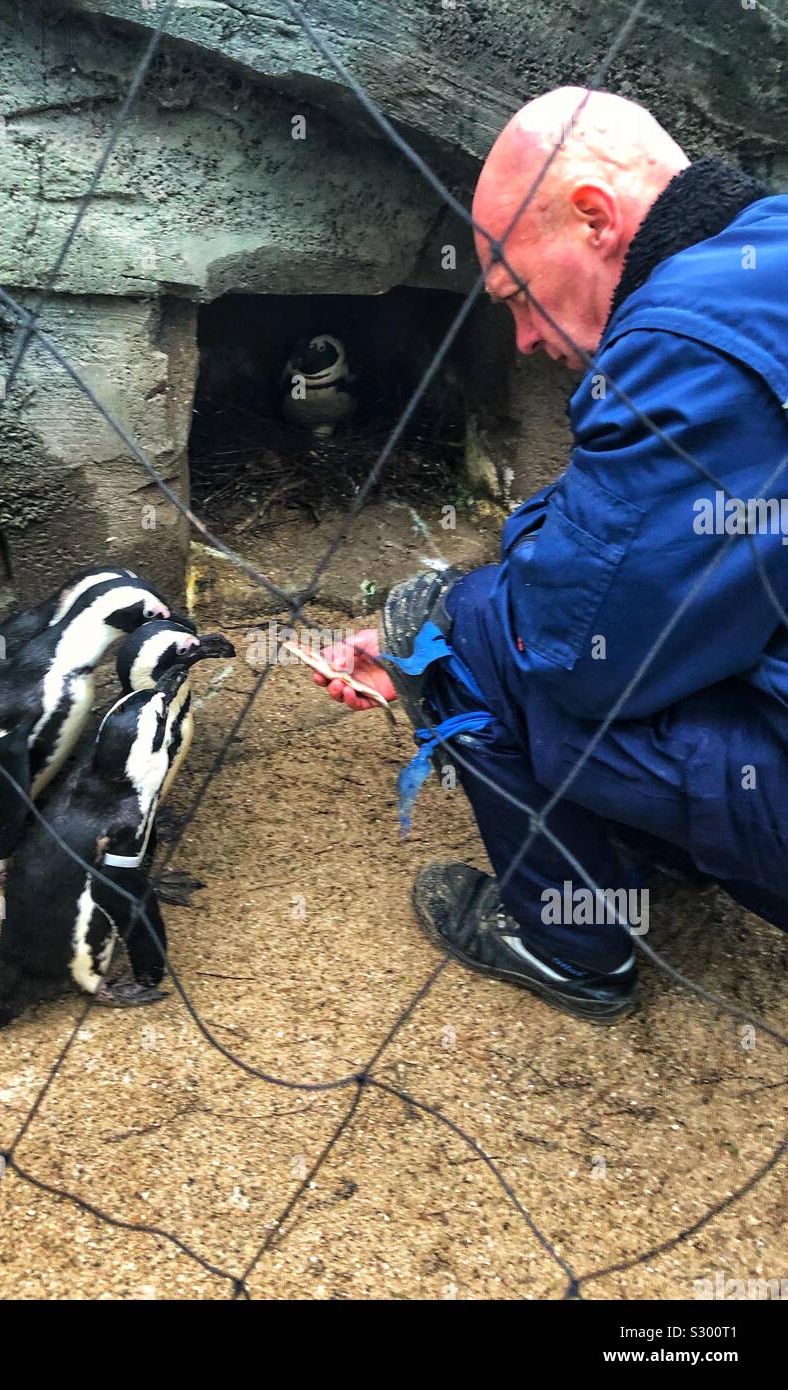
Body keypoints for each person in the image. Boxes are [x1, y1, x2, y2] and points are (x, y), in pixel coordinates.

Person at [311, 87, 788, 1023]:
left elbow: (569, 647)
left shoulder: (680, 339)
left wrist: (431, 627)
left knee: (453, 629)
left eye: (518, 296)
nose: (525, 340)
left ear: (595, 219)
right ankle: (661, 844)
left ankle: (567, 943)